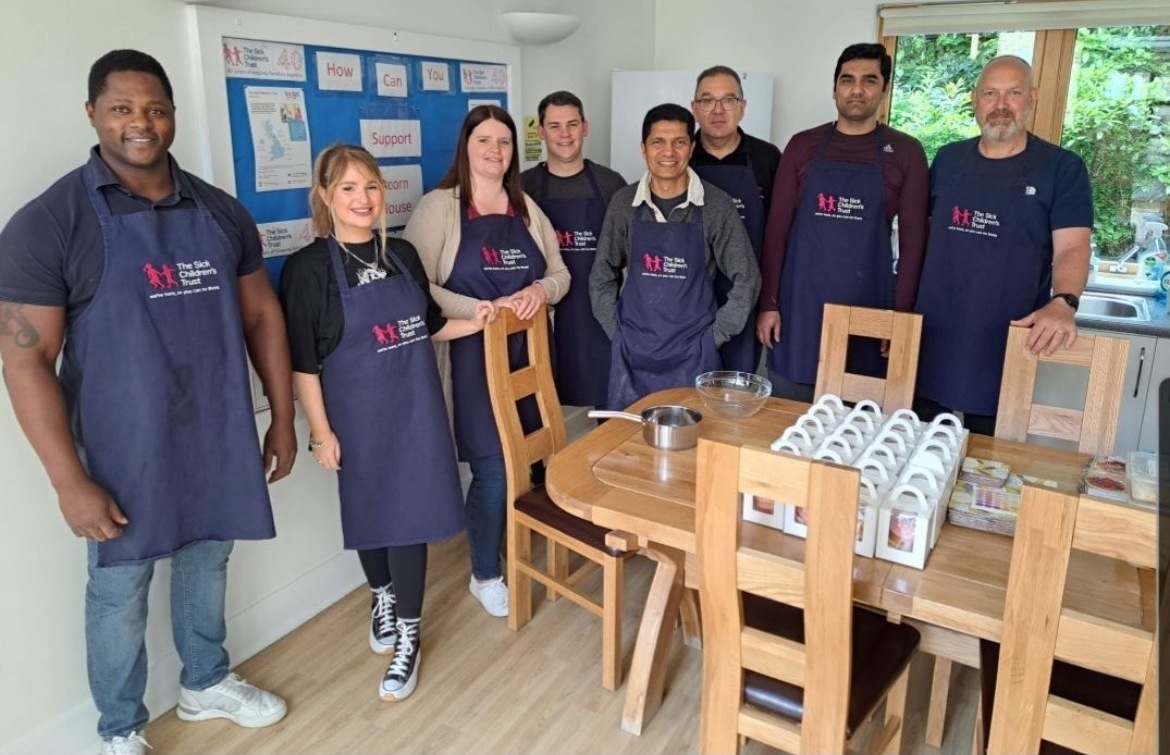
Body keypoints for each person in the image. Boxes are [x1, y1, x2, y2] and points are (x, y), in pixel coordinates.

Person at [0, 50, 294, 755]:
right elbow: (24, 356)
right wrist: (69, 480)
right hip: (121, 447)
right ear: (93, 113)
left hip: (217, 430)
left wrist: (283, 415)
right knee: (120, 589)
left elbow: (262, 317)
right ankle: (120, 727)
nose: (142, 123)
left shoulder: (220, 212)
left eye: (155, 108)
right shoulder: (51, 221)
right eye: (123, 108)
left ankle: (204, 680)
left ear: (172, 114)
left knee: (207, 557)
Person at [279, 145, 495, 701]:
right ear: (325, 196)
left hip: (417, 412)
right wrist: (322, 433)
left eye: (371, 187)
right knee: (369, 512)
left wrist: (480, 320)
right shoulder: (307, 269)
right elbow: (303, 362)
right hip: (356, 416)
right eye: (348, 188)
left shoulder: (401, 254)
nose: (363, 199)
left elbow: (426, 326)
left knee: (410, 521)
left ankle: (409, 633)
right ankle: (382, 593)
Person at [403, 105, 569, 619]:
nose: (495, 150)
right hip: (469, 358)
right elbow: (416, 286)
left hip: (527, 359)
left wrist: (538, 292)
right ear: (466, 147)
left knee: (530, 461)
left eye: (504, 141)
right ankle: (485, 572)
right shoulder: (439, 208)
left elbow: (560, 274)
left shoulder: (525, 208)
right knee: (494, 468)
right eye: (484, 141)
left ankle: (513, 547)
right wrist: (478, 309)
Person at [914, 55, 1092, 434]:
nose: (1000, 105)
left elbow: (1073, 247)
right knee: (917, 461)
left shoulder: (1062, 168)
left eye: (1013, 93)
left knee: (988, 474)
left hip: (1008, 345)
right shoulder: (947, 160)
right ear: (975, 99)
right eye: (990, 93)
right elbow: (922, 237)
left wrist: (1065, 302)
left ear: (1032, 98)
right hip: (933, 339)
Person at [756, 43, 928, 402]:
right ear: (834, 88)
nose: (857, 89)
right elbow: (776, 232)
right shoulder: (802, 146)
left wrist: (900, 317)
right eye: (847, 80)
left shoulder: (907, 152)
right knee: (789, 422)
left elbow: (914, 247)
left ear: (884, 89)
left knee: (856, 428)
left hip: (868, 312)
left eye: (869, 80)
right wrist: (768, 304)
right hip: (799, 310)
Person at [590, 103, 760, 411]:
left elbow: (746, 278)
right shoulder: (624, 203)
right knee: (627, 448)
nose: (669, 152)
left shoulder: (715, 205)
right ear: (643, 148)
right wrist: (617, 333)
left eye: (679, 142)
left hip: (693, 355)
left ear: (691, 148)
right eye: (658, 142)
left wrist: (713, 337)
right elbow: (602, 273)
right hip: (632, 354)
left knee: (691, 448)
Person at [521, 91, 627, 408]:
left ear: (585, 127)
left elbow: (630, 251)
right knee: (541, 400)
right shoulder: (522, 186)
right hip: (545, 311)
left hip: (600, 312)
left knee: (609, 401)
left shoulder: (611, 184)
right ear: (540, 131)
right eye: (554, 126)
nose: (564, 134)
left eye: (572, 124)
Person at [689, 65, 781, 374]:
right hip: (688, 295)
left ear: (742, 108)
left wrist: (769, 302)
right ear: (694, 108)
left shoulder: (768, 158)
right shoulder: (679, 157)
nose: (717, 110)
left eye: (728, 100)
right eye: (707, 100)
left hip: (746, 296)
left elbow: (779, 237)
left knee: (735, 388)